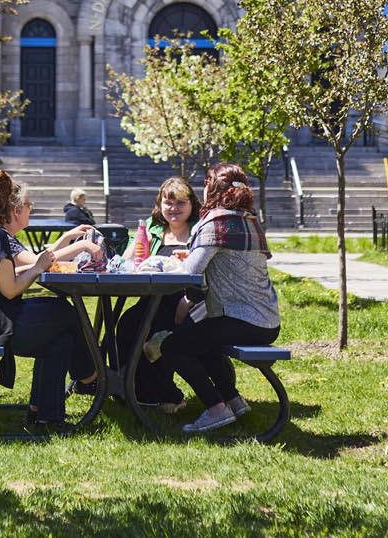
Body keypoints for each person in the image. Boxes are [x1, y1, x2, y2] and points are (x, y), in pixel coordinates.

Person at [0, 168, 98, 432]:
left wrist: (37, 264)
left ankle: (45, 415)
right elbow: (11, 290)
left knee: (60, 338)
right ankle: (91, 377)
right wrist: (38, 267)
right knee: (66, 313)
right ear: (5, 203)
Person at [155, 162, 280, 434]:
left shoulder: (216, 220)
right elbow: (225, 262)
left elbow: (190, 272)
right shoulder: (249, 219)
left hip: (240, 319)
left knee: (173, 346)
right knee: (202, 341)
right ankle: (233, 401)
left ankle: (215, 407)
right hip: (267, 321)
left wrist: (160, 264)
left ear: (211, 188)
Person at [115, 176, 199, 412]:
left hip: (185, 303)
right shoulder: (154, 230)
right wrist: (141, 237)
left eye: (180, 203)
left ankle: (166, 395)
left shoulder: (198, 231)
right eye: (168, 203)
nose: (174, 209)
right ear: (159, 205)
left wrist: (189, 300)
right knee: (126, 325)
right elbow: (127, 261)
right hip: (151, 299)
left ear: (192, 204)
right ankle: (127, 388)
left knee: (147, 332)